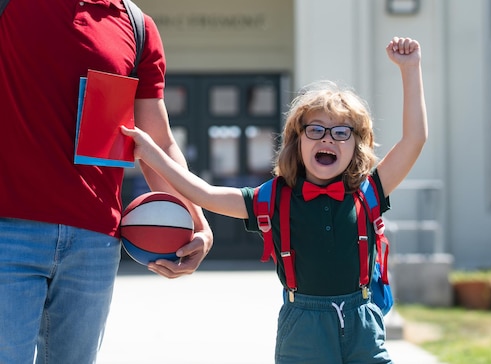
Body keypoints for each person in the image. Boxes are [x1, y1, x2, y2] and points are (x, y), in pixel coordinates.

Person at [123, 36, 427, 363]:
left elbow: (414, 139)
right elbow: (204, 194)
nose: (328, 138)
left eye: (342, 132)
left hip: (364, 323)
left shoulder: (369, 191)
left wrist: (410, 70)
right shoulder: (273, 198)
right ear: (297, 141)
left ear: (356, 146)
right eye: (316, 130)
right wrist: (150, 153)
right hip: (303, 328)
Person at [0, 1, 213, 363]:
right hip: (9, 231)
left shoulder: (137, 26)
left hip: (94, 242)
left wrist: (198, 223)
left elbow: (157, 142)